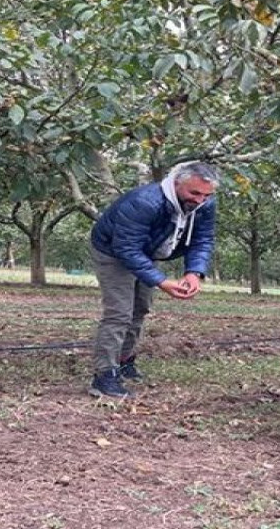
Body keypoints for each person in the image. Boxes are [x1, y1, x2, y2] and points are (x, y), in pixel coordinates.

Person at [87, 161, 220, 399]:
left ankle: (124, 360)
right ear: (177, 183)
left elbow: (203, 239)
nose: (200, 200)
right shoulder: (144, 202)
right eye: (194, 193)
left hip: (147, 252)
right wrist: (161, 281)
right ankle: (104, 375)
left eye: (206, 195)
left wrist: (194, 272)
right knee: (119, 312)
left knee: (140, 308)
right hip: (112, 251)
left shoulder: (204, 204)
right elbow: (126, 248)